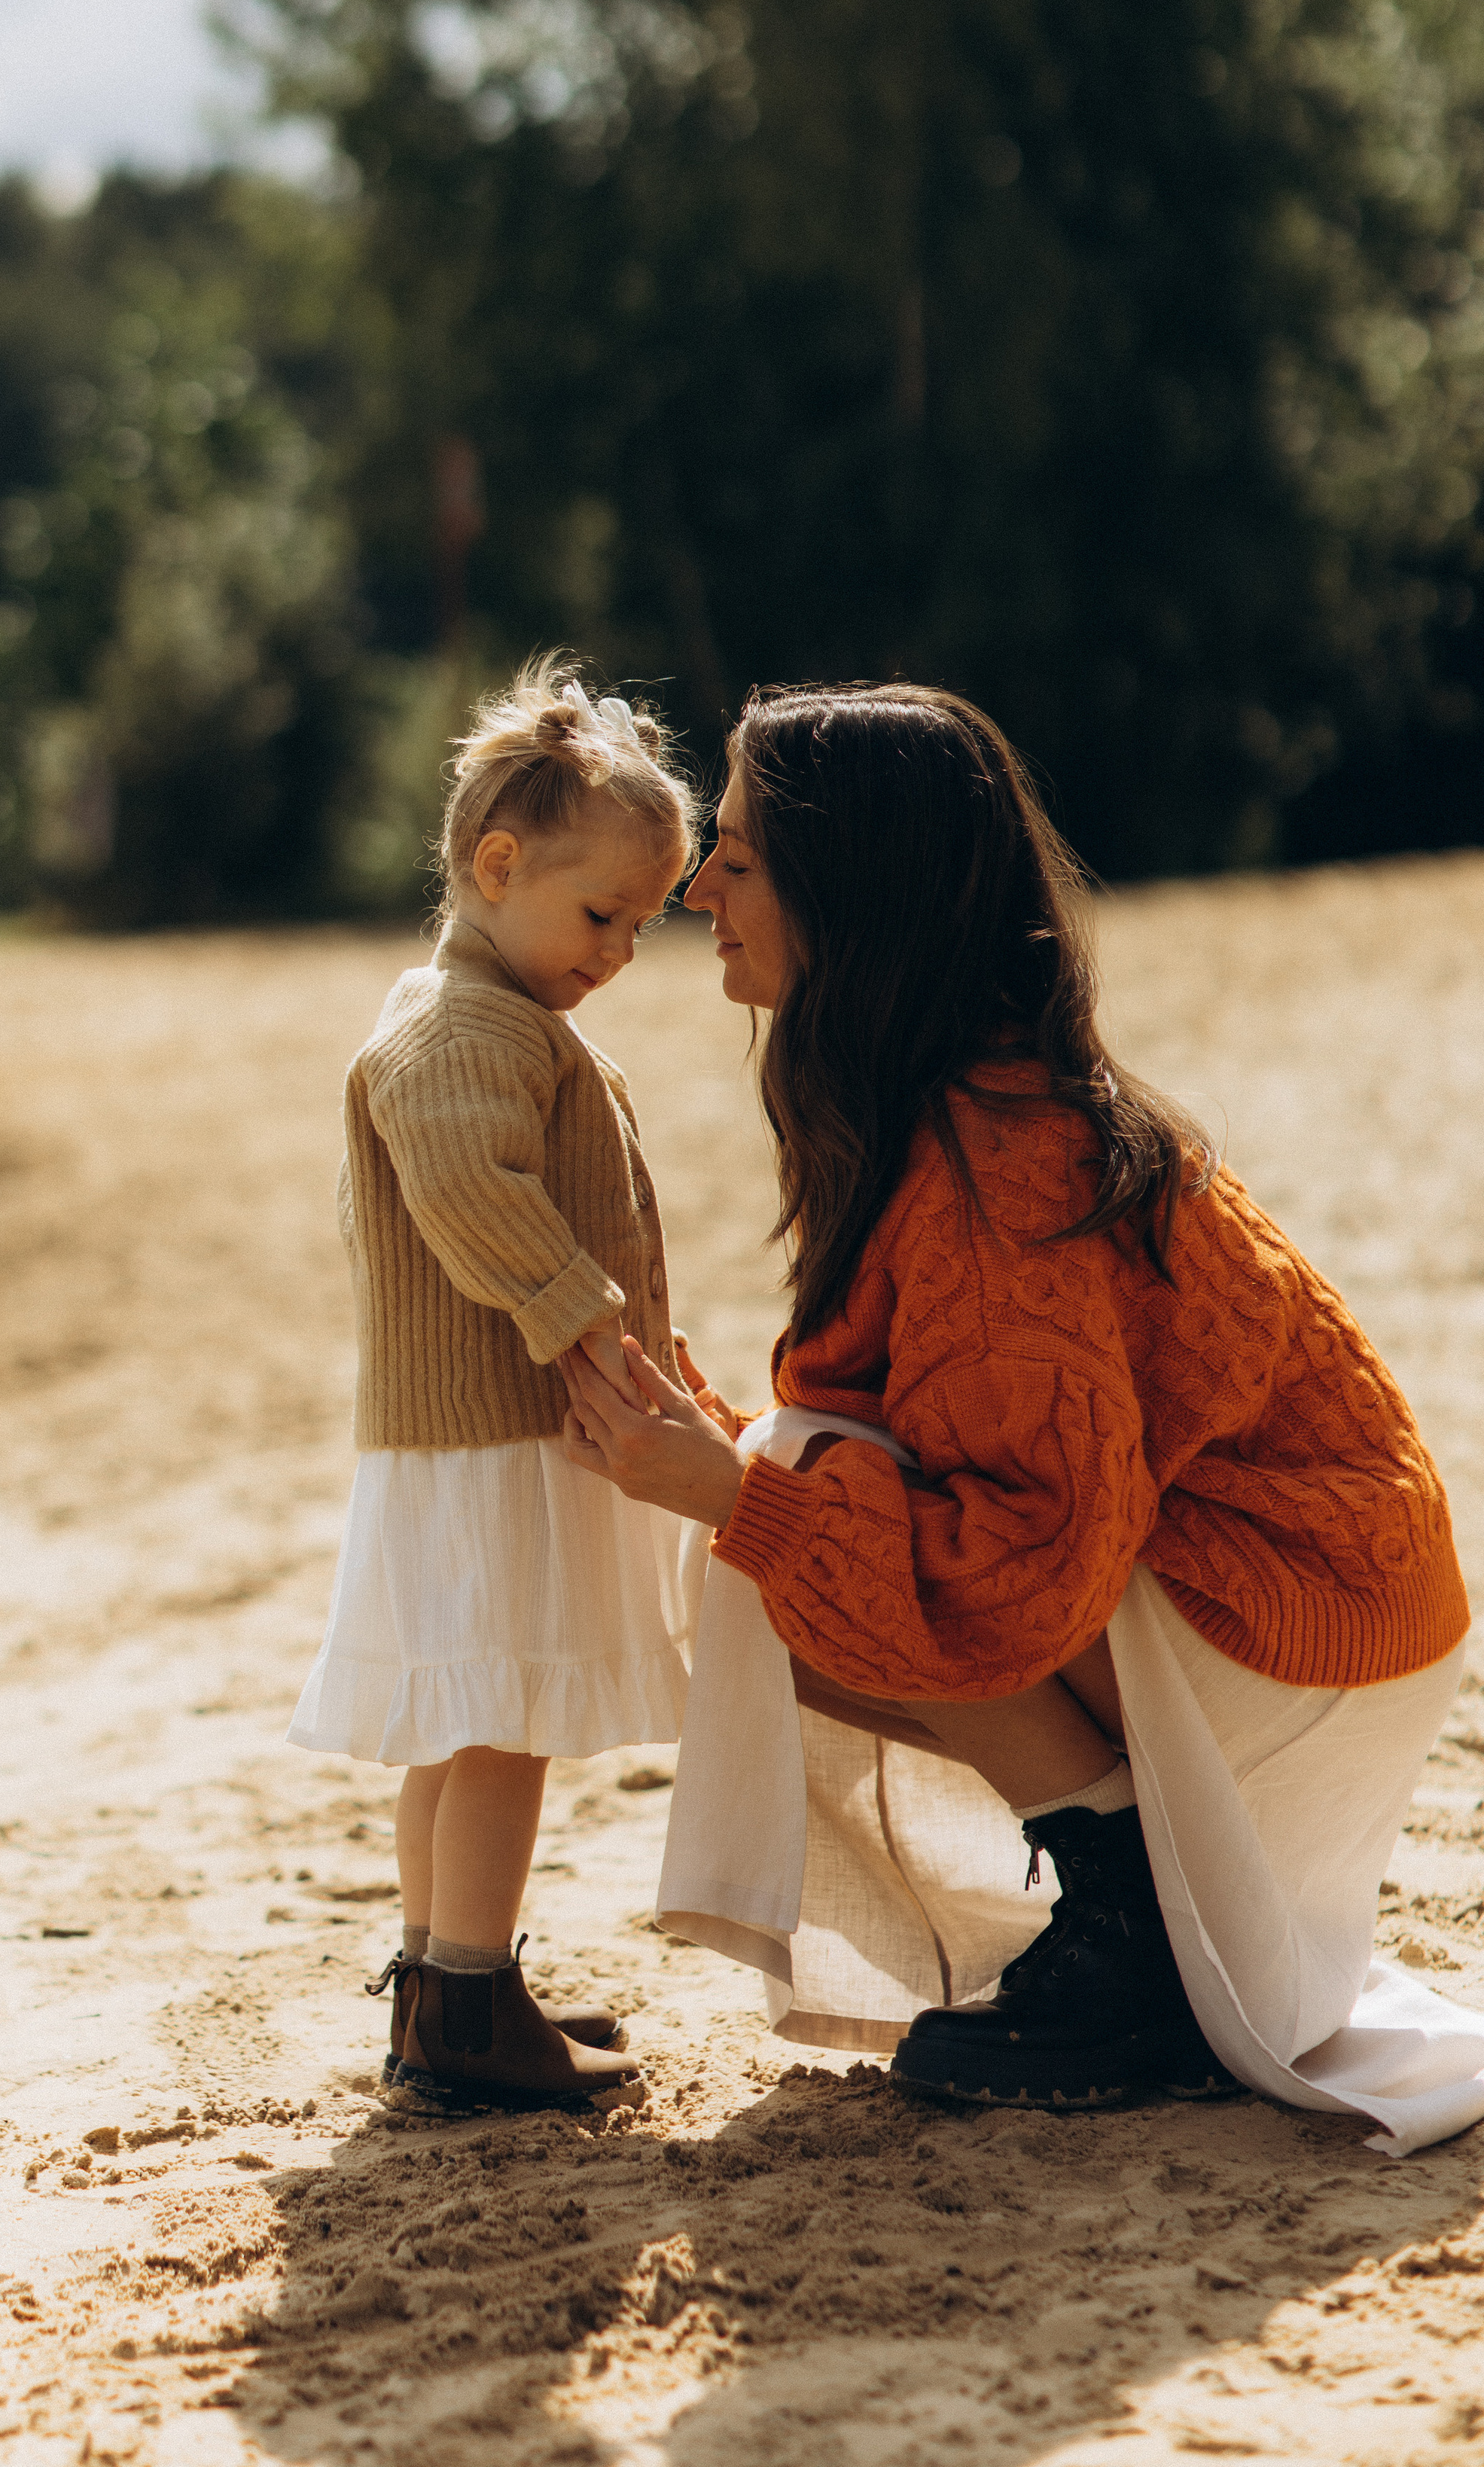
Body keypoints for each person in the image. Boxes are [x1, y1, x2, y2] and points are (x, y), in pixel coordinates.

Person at [560, 683, 1484, 2153]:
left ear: (848, 887)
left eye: (735, 855)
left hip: (1310, 1618)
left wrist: (735, 1488)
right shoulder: (942, 1098)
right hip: (1280, 1594)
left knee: (772, 1508)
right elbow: (927, 1450)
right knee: (765, 1516)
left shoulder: (1003, 1161)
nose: (697, 892)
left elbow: (1019, 1553)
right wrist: (716, 1451)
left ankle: (1126, 1931)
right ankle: (1123, 1895)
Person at [290, 660, 702, 2115]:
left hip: (479, 1438)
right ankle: (462, 2001)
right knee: (502, 1726)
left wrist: (632, 1338)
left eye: (645, 925)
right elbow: (476, 1194)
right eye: (603, 916)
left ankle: (441, 1983)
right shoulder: (459, 1029)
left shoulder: (490, 1015)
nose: (623, 951)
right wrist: (587, 1327)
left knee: (468, 1719)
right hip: (490, 1441)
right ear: (499, 865)